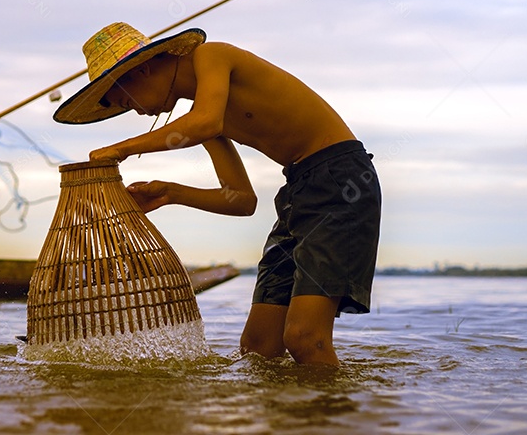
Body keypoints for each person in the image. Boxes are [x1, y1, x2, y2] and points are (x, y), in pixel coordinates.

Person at [53, 22, 381, 366]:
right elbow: (242, 200)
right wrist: (170, 193)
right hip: (298, 191)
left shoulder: (212, 57)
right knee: (258, 348)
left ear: (141, 69)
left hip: (340, 181)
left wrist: (119, 150)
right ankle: (291, 419)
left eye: (126, 101)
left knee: (304, 338)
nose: (137, 112)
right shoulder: (204, 113)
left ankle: (333, 414)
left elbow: (204, 123)